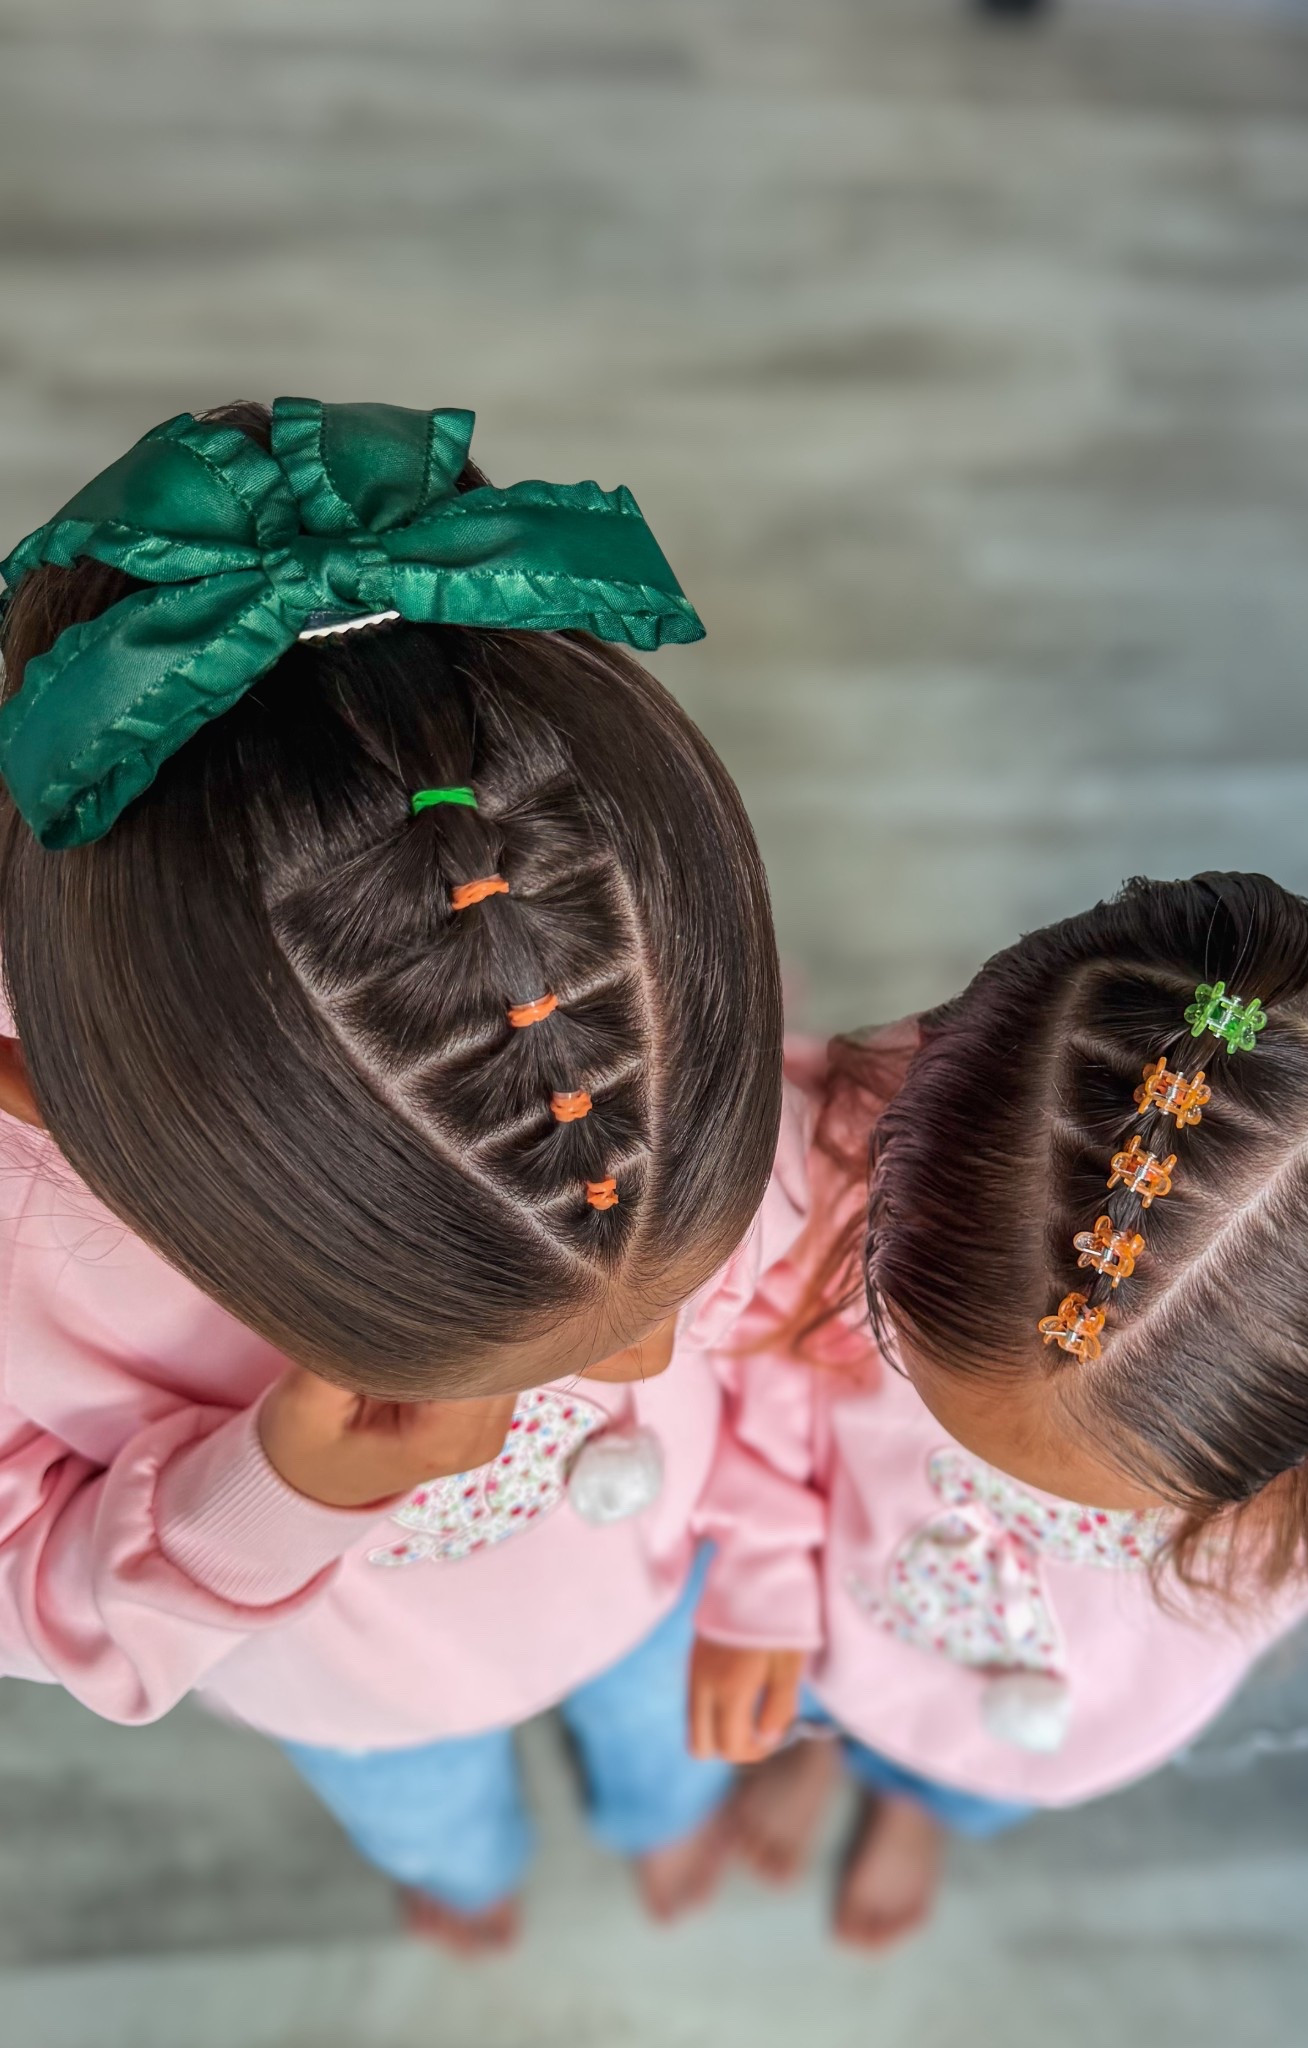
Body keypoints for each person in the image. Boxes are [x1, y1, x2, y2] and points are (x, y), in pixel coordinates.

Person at [0, 396, 799, 1953]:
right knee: (437, 1825)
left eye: (665, 1298)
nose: (641, 1361)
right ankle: (465, 1880)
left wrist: (758, 1530)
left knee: (670, 1748)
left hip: (656, 1582)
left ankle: (651, 1821)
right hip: (364, 1698)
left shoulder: (597, 959)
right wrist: (270, 1496)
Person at [689, 873, 1308, 1949]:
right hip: (840, 1621)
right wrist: (763, 1582)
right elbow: (775, 1355)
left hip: (1088, 1715)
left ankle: (920, 1806)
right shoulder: (871, 1156)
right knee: (828, 1703)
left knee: (978, 1784)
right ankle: (835, 1746)